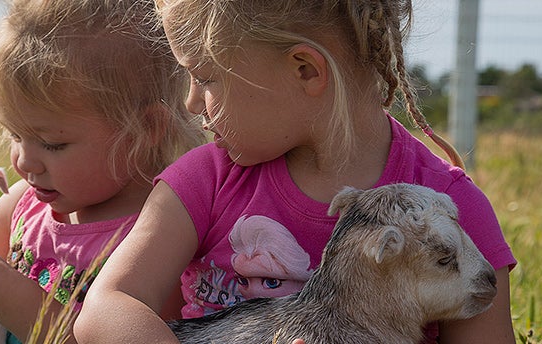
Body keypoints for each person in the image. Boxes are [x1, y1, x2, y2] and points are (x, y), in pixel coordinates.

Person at [74, 0, 517, 343]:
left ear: (304, 70)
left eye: (205, 78)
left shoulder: (452, 211)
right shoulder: (204, 181)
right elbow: (108, 306)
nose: (191, 103)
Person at [0, 0, 205, 342]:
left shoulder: (162, 231)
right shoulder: (23, 206)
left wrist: (7, 297)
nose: (24, 162)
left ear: (144, 130)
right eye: (15, 135)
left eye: (52, 143)